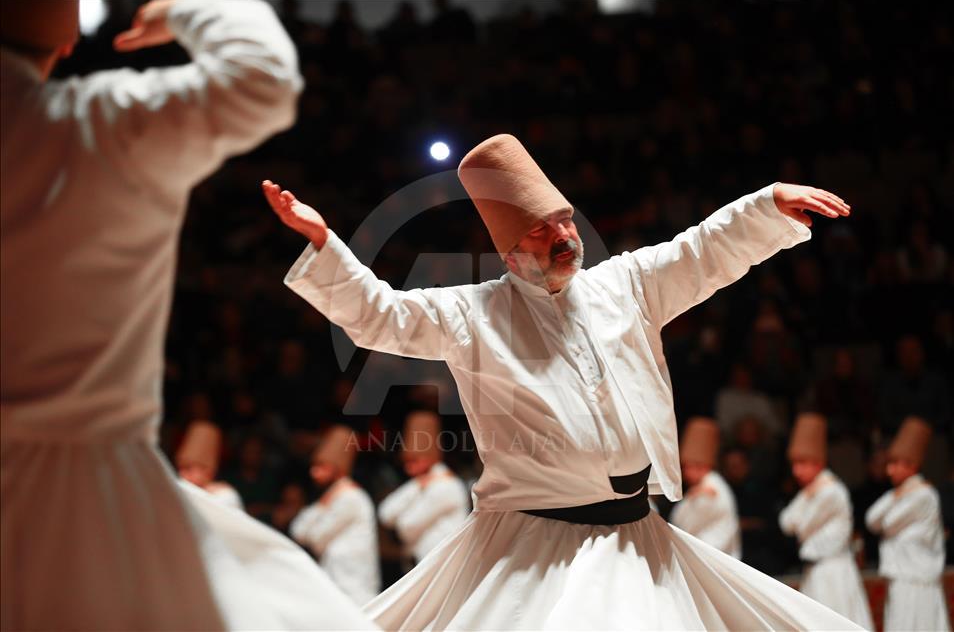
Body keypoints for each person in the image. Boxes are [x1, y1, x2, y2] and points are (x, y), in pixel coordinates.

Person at [265, 133, 858, 629]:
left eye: (564, 219)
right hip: (532, 545)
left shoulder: (625, 285)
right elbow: (380, 316)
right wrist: (323, 244)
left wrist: (766, 205)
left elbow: (699, 253)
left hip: (637, 532)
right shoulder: (471, 314)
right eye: (542, 230)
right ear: (509, 253)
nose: (563, 236)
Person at [1, 0, 374, 629]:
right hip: (84, 492)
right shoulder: (96, 125)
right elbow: (261, 78)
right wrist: (181, 10)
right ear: (66, 44)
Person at [778, 413, 873, 629]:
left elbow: (802, 526)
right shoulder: (811, 491)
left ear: (818, 463)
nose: (796, 471)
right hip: (816, 570)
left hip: (834, 571)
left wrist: (805, 500)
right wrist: (805, 497)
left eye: (802, 464)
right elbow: (785, 523)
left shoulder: (831, 491)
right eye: (794, 464)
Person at [865, 416, 950, 631]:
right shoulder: (900, 493)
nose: (889, 471)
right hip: (901, 576)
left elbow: (889, 523)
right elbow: (872, 520)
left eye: (895, 464)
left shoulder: (923, 494)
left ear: (912, 465)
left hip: (918, 577)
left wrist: (898, 496)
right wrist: (896, 495)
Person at [291, 424, 381, 606]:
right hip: (336, 584)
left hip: (354, 588)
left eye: (321, 466)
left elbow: (316, 539)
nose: (314, 472)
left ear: (337, 468)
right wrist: (322, 504)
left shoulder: (351, 497)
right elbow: (298, 531)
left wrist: (321, 506)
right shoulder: (331, 496)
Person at [378, 411, 470, 563]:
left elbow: (407, 527)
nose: (408, 468)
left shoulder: (446, 485)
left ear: (429, 457)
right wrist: (416, 486)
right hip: (422, 562)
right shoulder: (419, 483)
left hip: (442, 563)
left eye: (414, 460)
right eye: (406, 461)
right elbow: (385, 514)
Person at [669, 417, 742, 558]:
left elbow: (682, 524)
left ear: (701, 466)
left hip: (710, 555)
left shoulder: (711, 489)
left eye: (687, 467)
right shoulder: (704, 486)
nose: (684, 472)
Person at [176, 420, 244, 510]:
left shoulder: (225, 496)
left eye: (188, 469)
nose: (182, 474)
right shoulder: (178, 490)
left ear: (208, 471)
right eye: (180, 468)